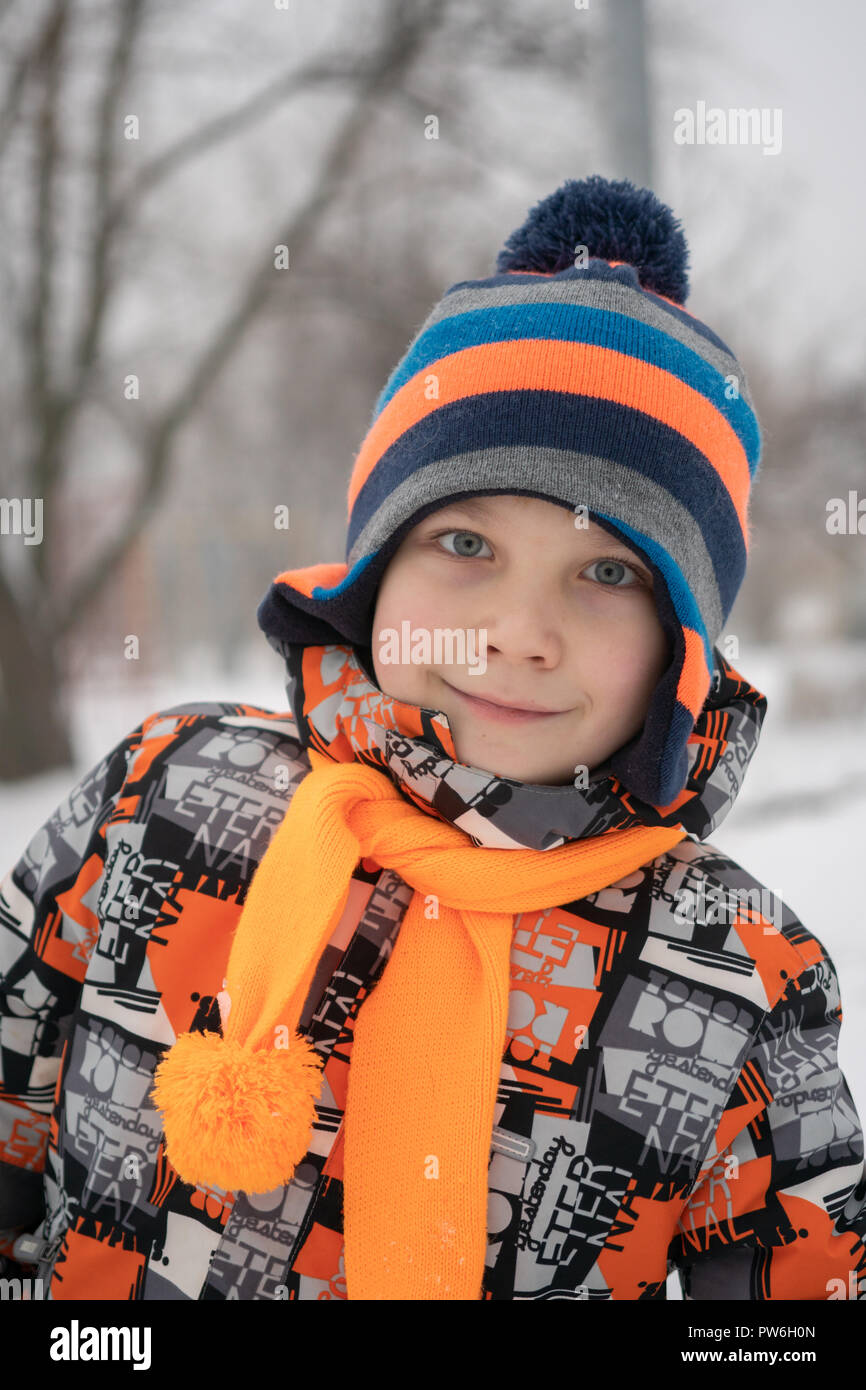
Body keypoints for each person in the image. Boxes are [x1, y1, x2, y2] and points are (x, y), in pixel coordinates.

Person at [1, 174, 864, 1301]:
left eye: (606, 573)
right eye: (464, 543)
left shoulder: (739, 966)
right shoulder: (161, 796)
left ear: (679, 652)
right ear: (372, 573)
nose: (518, 633)